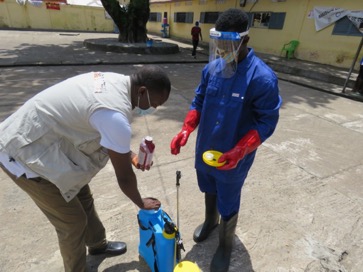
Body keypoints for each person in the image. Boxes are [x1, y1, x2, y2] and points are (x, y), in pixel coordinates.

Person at [0, 65, 171, 272]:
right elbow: (125, 178)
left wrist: (131, 155)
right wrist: (140, 202)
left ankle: (97, 245)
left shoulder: (117, 82)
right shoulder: (114, 114)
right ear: (142, 91)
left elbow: (104, 131)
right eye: (154, 103)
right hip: (22, 154)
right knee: (72, 222)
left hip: (47, 140)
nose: (153, 109)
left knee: (82, 193)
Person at [170, 8, 282, 272]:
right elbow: (198, 100)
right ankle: (211, 220)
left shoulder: (262, 79)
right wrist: (186, 129)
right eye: (218, 44)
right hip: (206, 146)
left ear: (245, 41)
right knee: (208, 185)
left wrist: (241, 150)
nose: (222, 50)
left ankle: (226, 243)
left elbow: (267, 122)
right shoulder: (212, 69)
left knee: (229, 195)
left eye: (228, 44)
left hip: (235, 153)